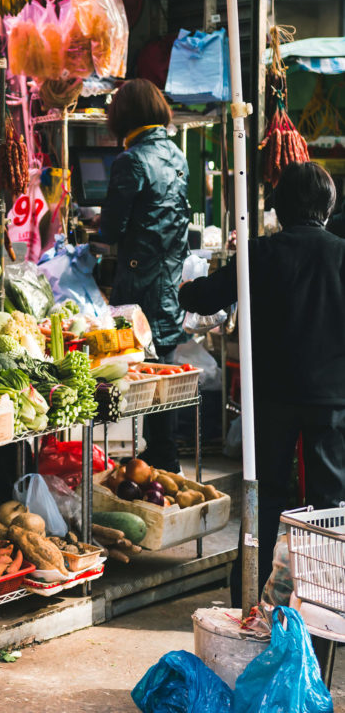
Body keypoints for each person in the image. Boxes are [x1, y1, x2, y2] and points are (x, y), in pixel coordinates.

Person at [179, 162, 345, 606]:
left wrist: (185, 288)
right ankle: (327, 602)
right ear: (328, 208)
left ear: (279, 209)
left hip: (269, 396)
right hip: (331, 399)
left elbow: (205, 297)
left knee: (266, 495)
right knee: (330, 503)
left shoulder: (260, 254)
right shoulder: (341, 254)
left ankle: (249, 597)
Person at [100, 79, 190, 473]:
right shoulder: (176, 154)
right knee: (163, 372)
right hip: (168, 279)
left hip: (137, 285)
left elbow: (111, 229)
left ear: (122, 115)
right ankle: (163, 457)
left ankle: (151, 460)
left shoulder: (131, 160)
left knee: (133, 370)